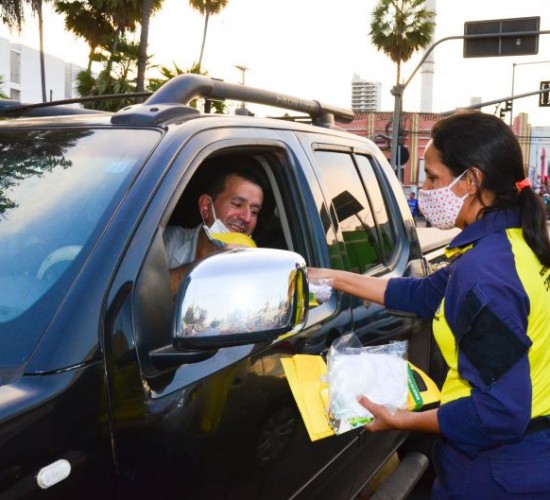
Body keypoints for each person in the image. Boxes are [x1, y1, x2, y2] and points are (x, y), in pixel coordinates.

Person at [308, 111, 550, 499]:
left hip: (495, 470)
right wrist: (333, 278)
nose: (424, 189)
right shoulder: (514, 243)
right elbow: (420, 294)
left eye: (433, 178)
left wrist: (402, 419)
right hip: (527, 453)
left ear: (470, 181)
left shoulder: (484, 273)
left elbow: (500, 412)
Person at [165, 158, 265, 295]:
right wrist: (214, 264)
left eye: (254, 212)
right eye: (237, 204)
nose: (247, 218)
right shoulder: (169, 242)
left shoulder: (258, 266)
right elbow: (140, 293)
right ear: (206, 206)